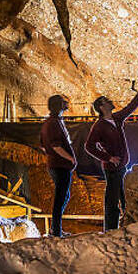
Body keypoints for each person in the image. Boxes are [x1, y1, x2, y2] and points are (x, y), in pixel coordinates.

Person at [84, 77, 138, 231]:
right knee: (112, 201)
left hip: (122, 167)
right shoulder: (99, 126)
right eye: (107, 101)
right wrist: (108, 158)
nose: (110, 101)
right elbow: (89, 146)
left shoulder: (117, 118)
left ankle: (125, 227)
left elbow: (131, 107)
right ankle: (110, 230)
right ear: (102, 107)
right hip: (112, 169)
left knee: (124, 198)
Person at [40, 95, 77, 237]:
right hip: (60, 166)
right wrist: (69, 158)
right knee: (60, 198)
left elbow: (43, 146)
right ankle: (55, 231)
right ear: (58, 105)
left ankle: (55, 229)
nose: (66, 103)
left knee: (64, 196)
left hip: (57, 164)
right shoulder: (53, 123)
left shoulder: (52, 122)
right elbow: (55, 145)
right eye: (63, 102)